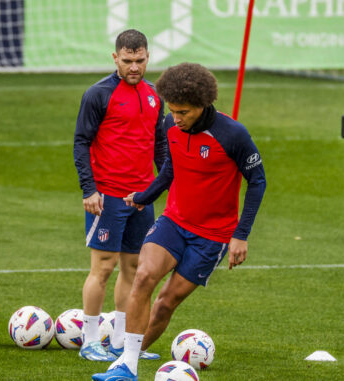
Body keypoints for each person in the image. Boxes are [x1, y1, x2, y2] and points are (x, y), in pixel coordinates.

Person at [92, 63, 267, 380]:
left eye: (184, 112)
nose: (176, 118)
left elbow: (258, 181)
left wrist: (241, 235)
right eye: (172, 111)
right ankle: (126, 365)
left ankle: (130, 355)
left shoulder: (233, 135)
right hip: (174, 221)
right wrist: (144, 197)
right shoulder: (172, 127)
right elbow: (170, 172)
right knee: (144, 276)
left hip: (212, 236)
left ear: (202, 105)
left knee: (165, 303)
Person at [73, 29, 168, 362]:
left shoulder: (157, 95)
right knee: (103, 267)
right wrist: (89, 189)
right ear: (115, 58)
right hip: (108, 196)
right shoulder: (98, 94)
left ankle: (119, 342)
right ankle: (88, 341)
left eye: (140, 60)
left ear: (147, 57)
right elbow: (81, 142)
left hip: (142, 196)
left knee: (135, 269)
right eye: (127, 61)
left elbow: (159, 145)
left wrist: (166, 181)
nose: (134, 67)